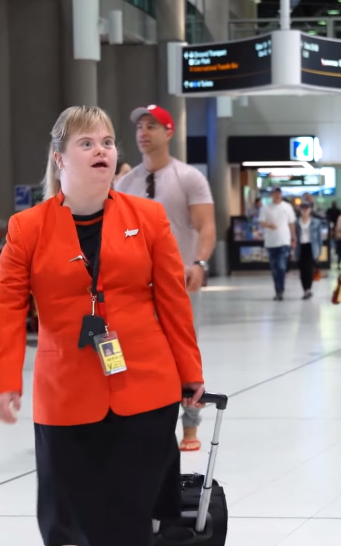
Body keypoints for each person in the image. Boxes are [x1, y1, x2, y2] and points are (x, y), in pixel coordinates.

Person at [0, 105, 205, 546]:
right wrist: (3, 380)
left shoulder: (148, 218)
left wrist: (190, 373)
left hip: (145, 388)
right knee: (65, 523)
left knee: (128, 522)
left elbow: (173, 302)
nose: (101, 150)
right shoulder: (27, 227)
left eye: (107, 142)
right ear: (60, 157)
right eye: (86, 143)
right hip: (65, 393)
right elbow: (6, 306)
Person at [114, 104, 216, 452]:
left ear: (169, 133)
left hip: (179, 282)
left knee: (184, 351)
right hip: (136, 287)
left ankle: (189, 427)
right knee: (139, 353)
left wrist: (200, 263)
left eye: (152, 126)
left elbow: (206, 226)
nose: (143, 131)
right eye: (140, 125)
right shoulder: (125, 183)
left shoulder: (188, 177)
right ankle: (141, 419)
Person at [258, 187, 296, 300]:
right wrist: (269, 225)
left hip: (284, 241)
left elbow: (291, 223)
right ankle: (278, 290)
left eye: (279, 193)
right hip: (271, 242)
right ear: (272, 195)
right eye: (275, 193)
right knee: (274, 268)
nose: (277, 195)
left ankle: (281, 289)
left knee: (281, 266)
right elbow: (261, 222)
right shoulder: (266, 208)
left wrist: (294, 238)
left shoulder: (287, 207)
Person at [295, 202, 324, 300]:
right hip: (300, 247)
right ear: (300, 210)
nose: (305, 210)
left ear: (310, 209)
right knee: (302, 270)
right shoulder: (296, 222)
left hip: (311, 247)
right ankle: (305, 290)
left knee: (309, 269)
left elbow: (319, 238)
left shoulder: (316, 222)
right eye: (303, 208)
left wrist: (319, 250)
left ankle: (308, 289)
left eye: (307, 208)